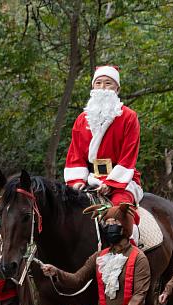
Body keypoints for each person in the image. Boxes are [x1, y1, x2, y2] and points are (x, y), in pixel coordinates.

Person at [63, 65, 143, 241]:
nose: (103, 88)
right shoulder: (82, 120)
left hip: (121, 181)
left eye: (108, 84)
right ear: (93, 88)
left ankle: (130, 251)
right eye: (98, 83)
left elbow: (129, 156)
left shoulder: (129, 117)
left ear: (117, 89)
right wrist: (77, 181)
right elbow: (75, 155)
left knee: (120, 212)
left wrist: (111, 183)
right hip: (90, 178)